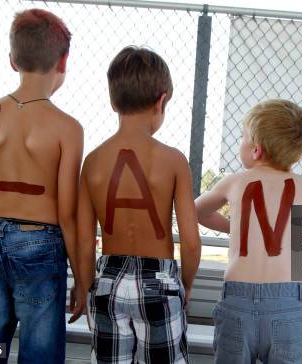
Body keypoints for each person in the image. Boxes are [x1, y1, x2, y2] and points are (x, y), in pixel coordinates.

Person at [0, 9, 83, 363]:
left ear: (12, 60)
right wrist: (81, 276)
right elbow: (68, 213)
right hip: (41, 243)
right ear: (63, 60)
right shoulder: (67, 128)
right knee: (40, 355)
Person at [76, 46, 201, 363]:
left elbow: (84, 240)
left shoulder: (92, 162)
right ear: (161, 101)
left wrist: (89, 287)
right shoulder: (173, 160)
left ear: (113, 101)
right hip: (159, 282)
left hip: (108, 281)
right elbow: (190, 241)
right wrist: (183, 287)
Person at [196, 99, 302, 363]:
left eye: (242, 137)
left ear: (256, 150)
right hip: (288, 303)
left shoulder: (234, 182)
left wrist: (233, 228)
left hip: (237, 302)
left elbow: (195, 211)